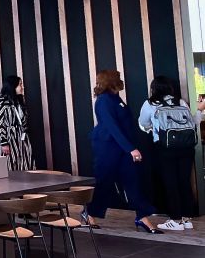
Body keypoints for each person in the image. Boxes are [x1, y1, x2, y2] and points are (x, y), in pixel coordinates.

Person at [83, 69, 159, 233]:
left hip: (122, 147)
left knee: (132, 181)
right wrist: (131, 148)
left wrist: (130, 147)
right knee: (104, 182)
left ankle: (142, 216)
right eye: (117, 77)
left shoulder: (116, 99)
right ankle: (89, 213)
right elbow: (112, 127)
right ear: (111, 80)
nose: (121, 80)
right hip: (108, 148)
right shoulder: (104, 100)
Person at [138, 76, 199, 231]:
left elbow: (143, 123)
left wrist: (151, 129)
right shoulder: (181, 102)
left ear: (154, 88)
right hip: (186, 147)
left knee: (170, 182)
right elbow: (192, 121)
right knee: (184, 182)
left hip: (165, 147)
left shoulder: (150, 103)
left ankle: (176, 220)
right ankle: (187, 219)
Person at [0, 75, 35, 171]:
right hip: (9, 138)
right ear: (13, 86)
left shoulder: (19, 101)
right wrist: (3, 142)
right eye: (20, 85)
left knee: (24, 164)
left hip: (21, 139)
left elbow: (23, 120)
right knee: (9, 165)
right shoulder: (2, 102)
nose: (22, 87)